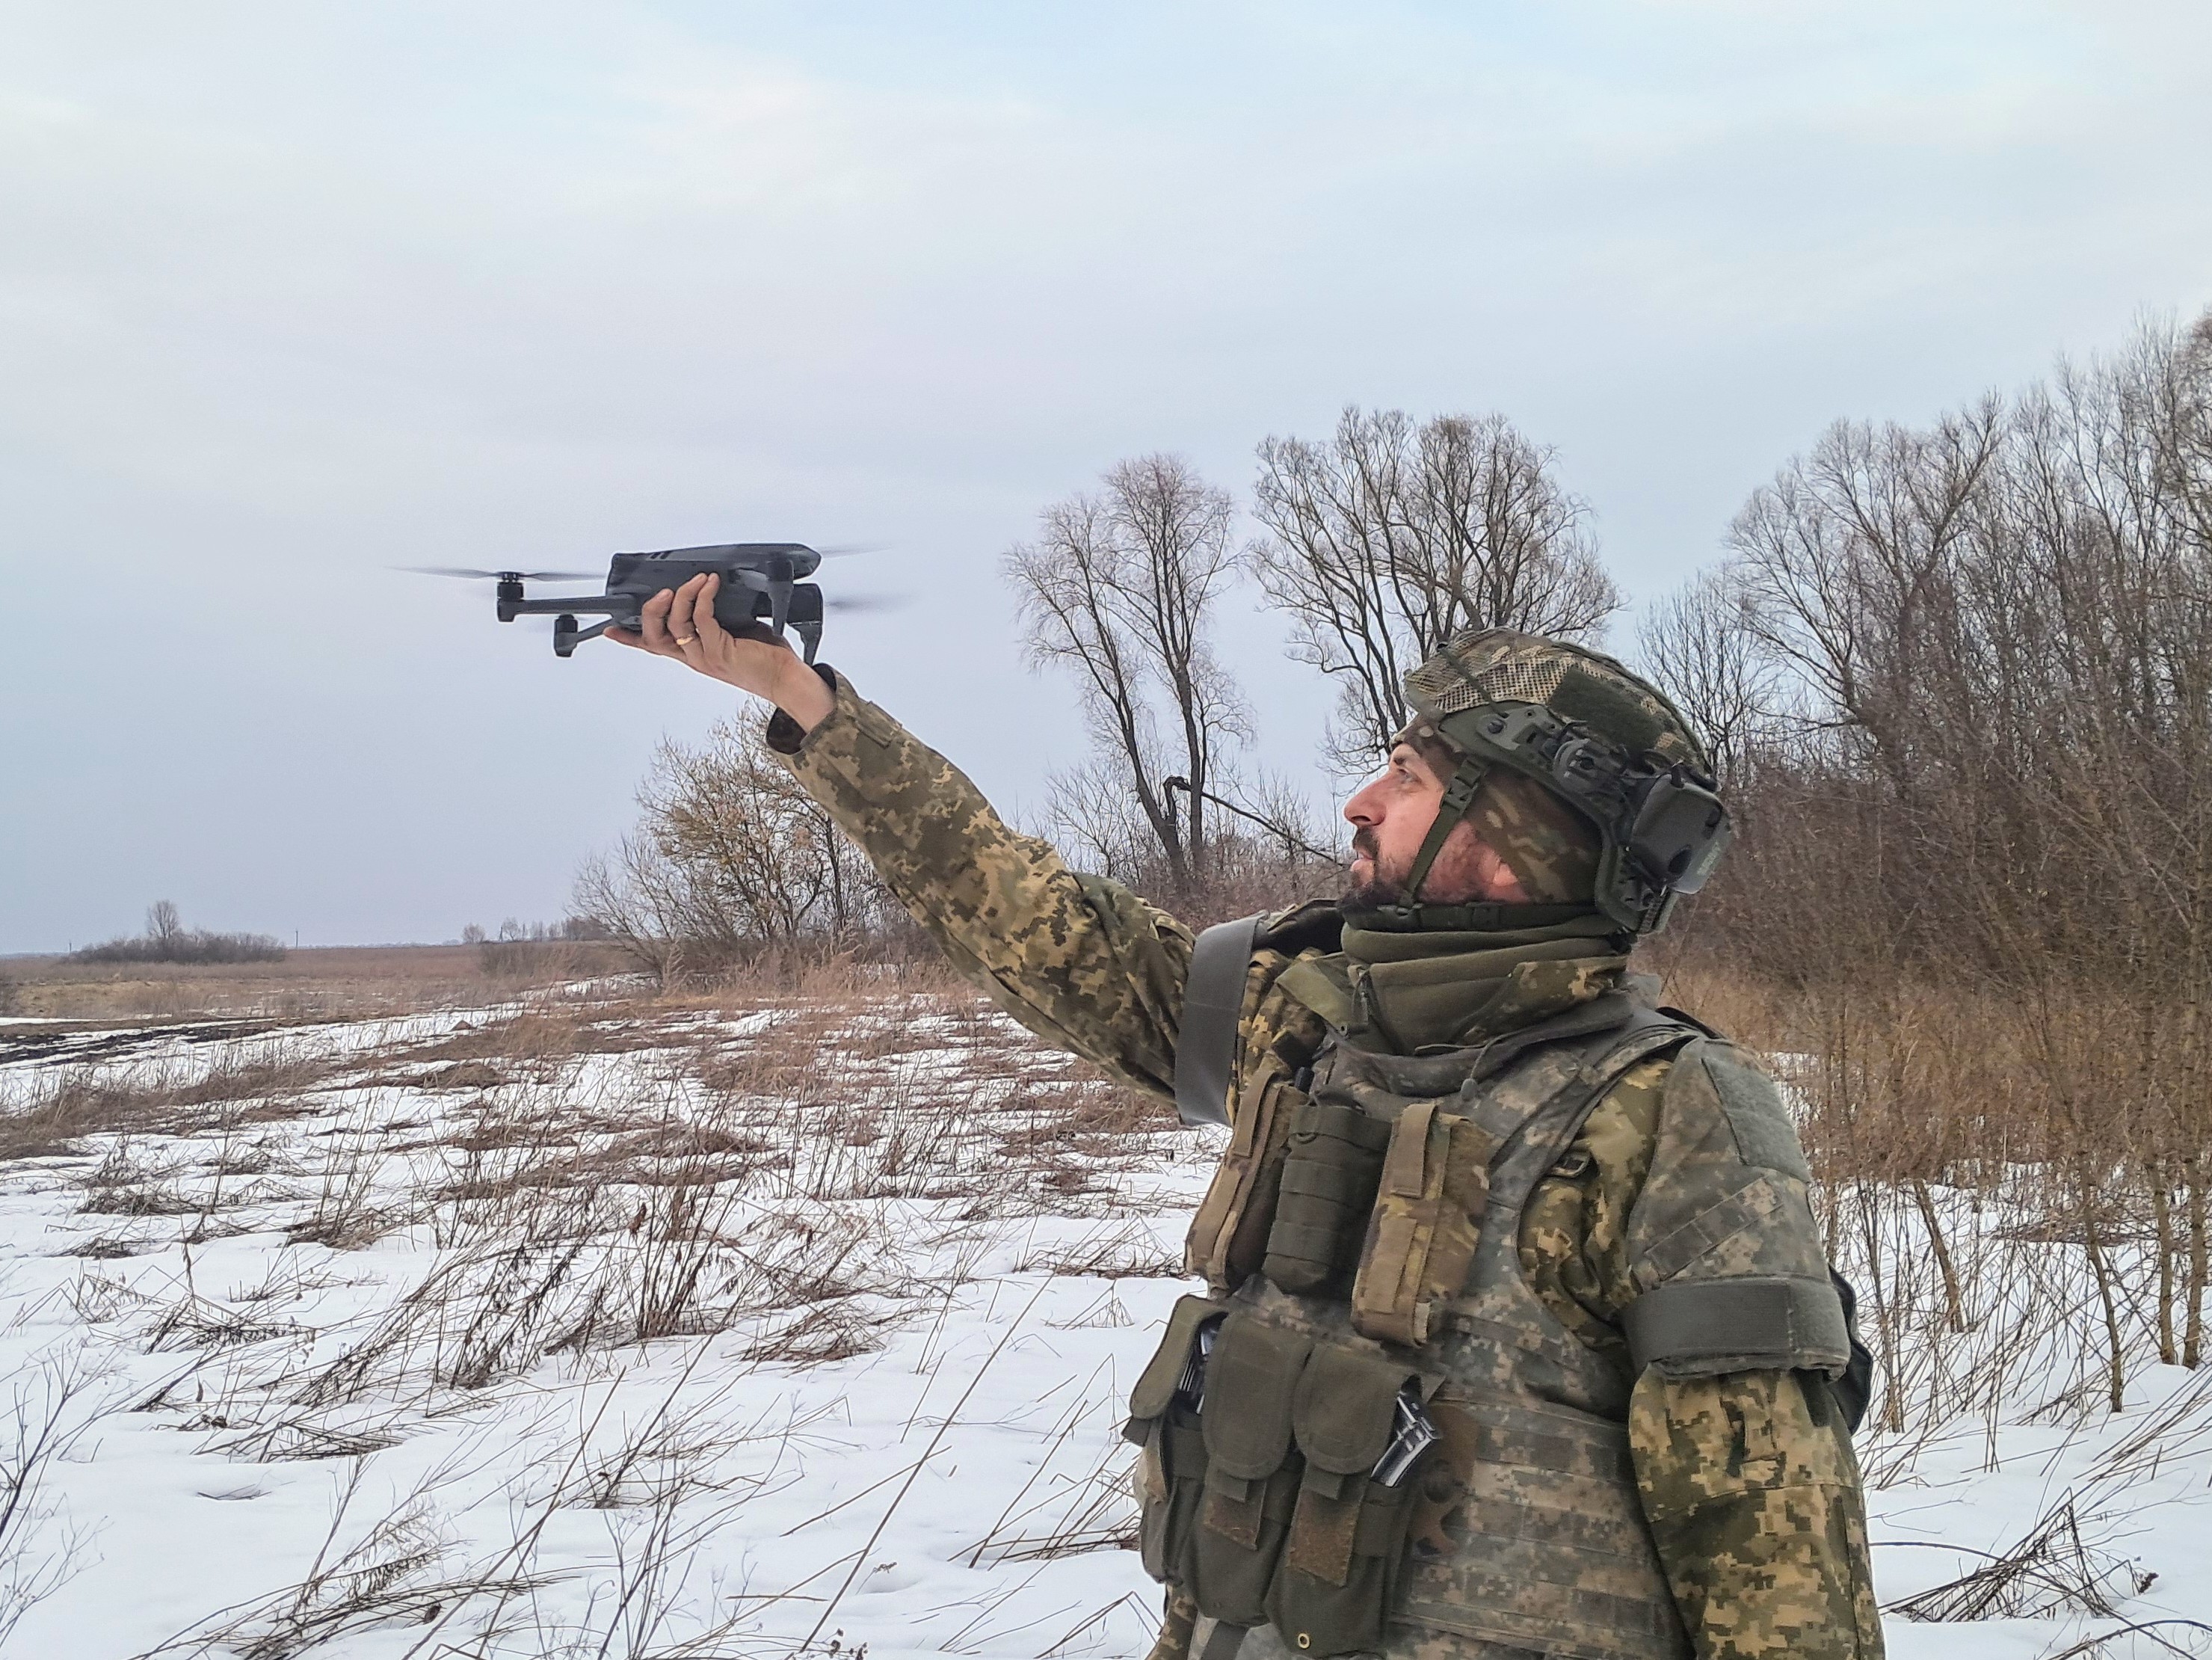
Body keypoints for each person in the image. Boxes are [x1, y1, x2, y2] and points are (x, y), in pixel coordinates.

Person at [611, 575, 1884, 1660]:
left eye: (1409, 775)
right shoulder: (1311, 1021)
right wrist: (812, 710)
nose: (1359, 803)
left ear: (1512, 840)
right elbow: (1024, 916)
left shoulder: (1671, 1112)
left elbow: (1775, 1566)